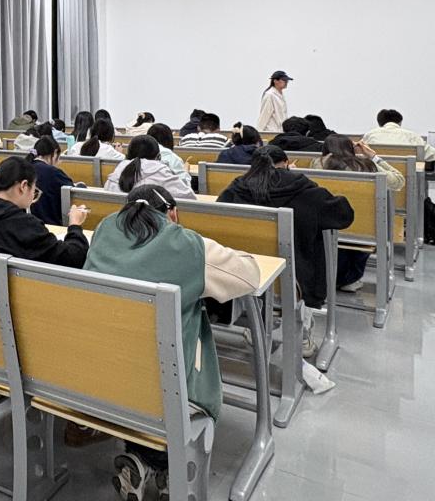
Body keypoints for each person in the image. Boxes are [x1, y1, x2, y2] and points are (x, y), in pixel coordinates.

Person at [85, 185, 259, 500]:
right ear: (173, 214)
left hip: (100, 376)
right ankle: (164, 468)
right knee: (161, 373)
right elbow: (249, 276)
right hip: (166, 388)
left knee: (137, 361)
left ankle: (145, 461)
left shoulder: (102, 232)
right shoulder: (188, 246)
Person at [217, 146, 354, 354]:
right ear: (287, 163)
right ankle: (303, 334)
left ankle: (259, 325)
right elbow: (344, 215)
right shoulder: (306, 191)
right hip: (294, 280)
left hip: (245, 272)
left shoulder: (236, 188)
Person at [0, 157, 89, 266]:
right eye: (34, 191)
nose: (33, 197)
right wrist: (75, 225)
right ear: (23, 186)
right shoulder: (23, 224)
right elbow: (74, 258)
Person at [313, 135, 404, 292]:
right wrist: (373, 156)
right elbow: (398, 181)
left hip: (327, 227)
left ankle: (334, 276)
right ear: (351, 148)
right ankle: (350, 279)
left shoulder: (317, 164)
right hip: (362, 230)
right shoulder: (366, 166)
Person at [105, 136, 196, 200]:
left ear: (128, 155)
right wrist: (185, 174)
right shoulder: (162, 172)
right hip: (153, 221)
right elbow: (189, 197)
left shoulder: (118, 171)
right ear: (158, 157)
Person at [28, 136, 75, 225]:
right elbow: (73, 194)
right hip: (52, 224)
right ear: (55, 153)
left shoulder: (25, 167)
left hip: (30, 223)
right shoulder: (53, 172)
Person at [362, 109, 435, 162]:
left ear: (379, 124)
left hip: (377, 175)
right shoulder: (411, 136)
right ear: (400, 122)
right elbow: (432, 154)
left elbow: (359, 153)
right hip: (406, 176)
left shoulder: (369, 135)